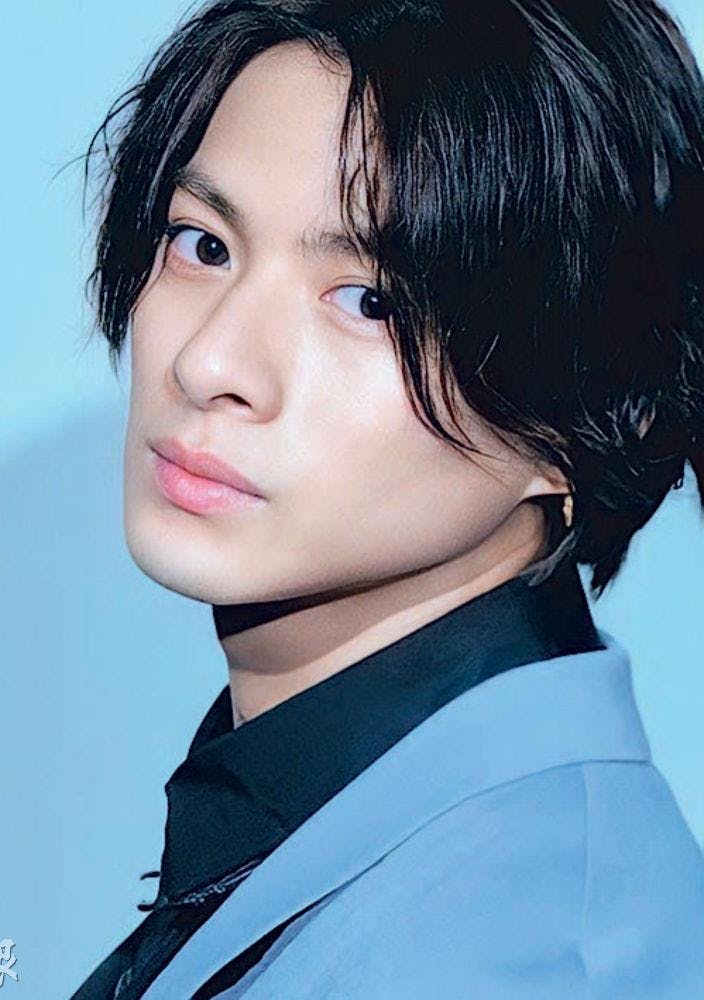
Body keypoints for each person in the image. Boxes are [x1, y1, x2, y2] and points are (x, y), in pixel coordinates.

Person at [70, 0, 704, 996]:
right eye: (203, 244)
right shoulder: (368, 818)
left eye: (369, 303)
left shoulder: (525, 957)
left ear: (586, 416)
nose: (208, 363)